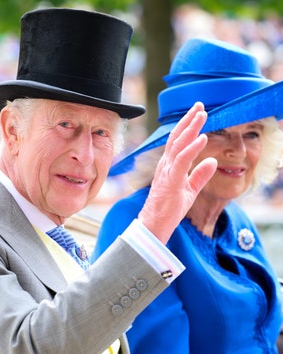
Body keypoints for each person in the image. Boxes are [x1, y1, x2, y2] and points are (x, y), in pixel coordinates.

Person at [0, 8, 218, 354]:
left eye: (100, 133)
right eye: (65, 125)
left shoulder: (64, 239)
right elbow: (34, 346)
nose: (85, 153)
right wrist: (153, 228)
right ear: (12, 130)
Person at [92, 38, 283, 354]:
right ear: (178, 142)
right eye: (218, 132)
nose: (239, 150)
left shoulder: (235, 218)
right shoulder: (135, 220)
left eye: (252, 133)